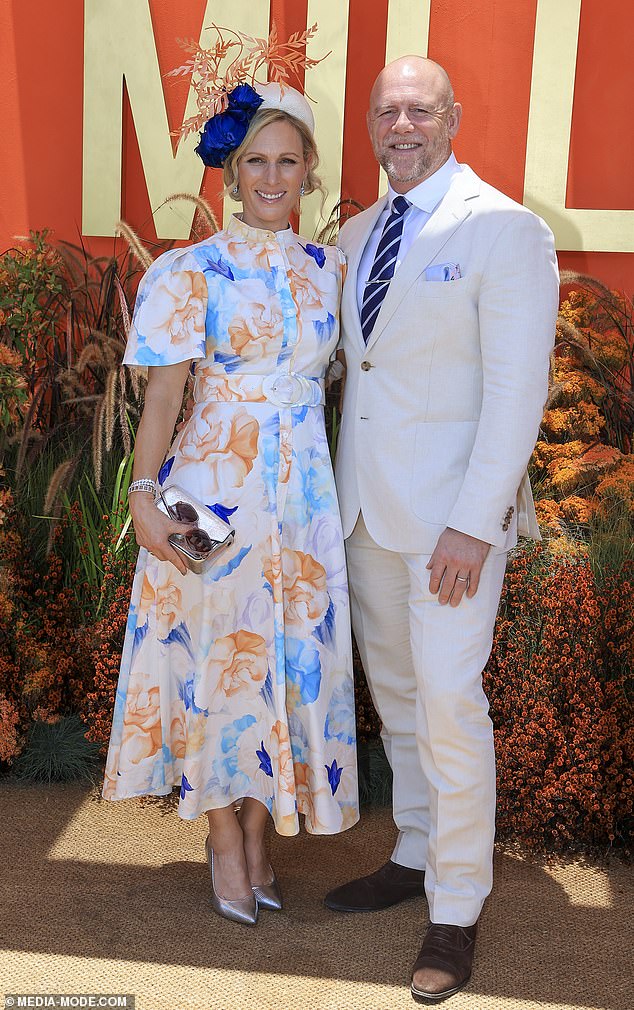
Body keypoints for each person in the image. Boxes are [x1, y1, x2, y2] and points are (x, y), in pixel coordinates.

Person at [324, 56, 559, 1002]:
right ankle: (417, 851)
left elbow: (516, 391)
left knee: (452, 703)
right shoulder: (354, 232)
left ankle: (457, 908)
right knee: (401, 695)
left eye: (421, 109)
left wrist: (476, 522)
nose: (403, 126)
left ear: (453, 118)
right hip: (366, 512)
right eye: (388, 112)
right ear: (373, 128)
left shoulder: (505, 228)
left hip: (453, 524)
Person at [102, 79, 359, 927]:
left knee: (285, 657)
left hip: (304, 501)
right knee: (216, 658)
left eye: (289, 161)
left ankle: (260, 833)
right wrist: (146, 498)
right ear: (231, 169)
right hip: (210, 497)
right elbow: (164, 401)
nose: (272, 177)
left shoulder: (330, 268)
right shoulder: (189, 270)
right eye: (256, 160)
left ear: (309, 169)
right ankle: (221, 836)